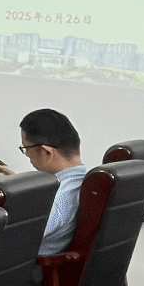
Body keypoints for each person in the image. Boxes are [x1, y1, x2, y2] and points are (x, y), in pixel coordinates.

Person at [12, 108, 90, 259]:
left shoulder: (55, 201)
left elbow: (15, 236)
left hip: (29, 268)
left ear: (46, 151)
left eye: (26, 148)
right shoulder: (82, 182)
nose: (27, 155)